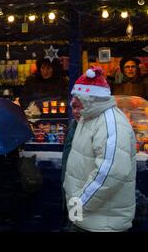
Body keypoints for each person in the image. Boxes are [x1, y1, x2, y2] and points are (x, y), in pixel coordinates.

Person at [64, 67, 137, 232]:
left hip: (102, 223)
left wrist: (78, 204)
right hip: (88, 218)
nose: (74, 111)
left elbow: (112, 173)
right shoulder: (87, 117)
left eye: (78, 105)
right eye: (73, 105)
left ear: (91, 101)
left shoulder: (111, 124)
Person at [60, 97, 84, 230]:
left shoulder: (94, 130)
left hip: (81, 193)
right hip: (69, 186)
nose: (77, 111)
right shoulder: (73, 125)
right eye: (74, 107)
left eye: (81, 107)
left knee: (76, 224)